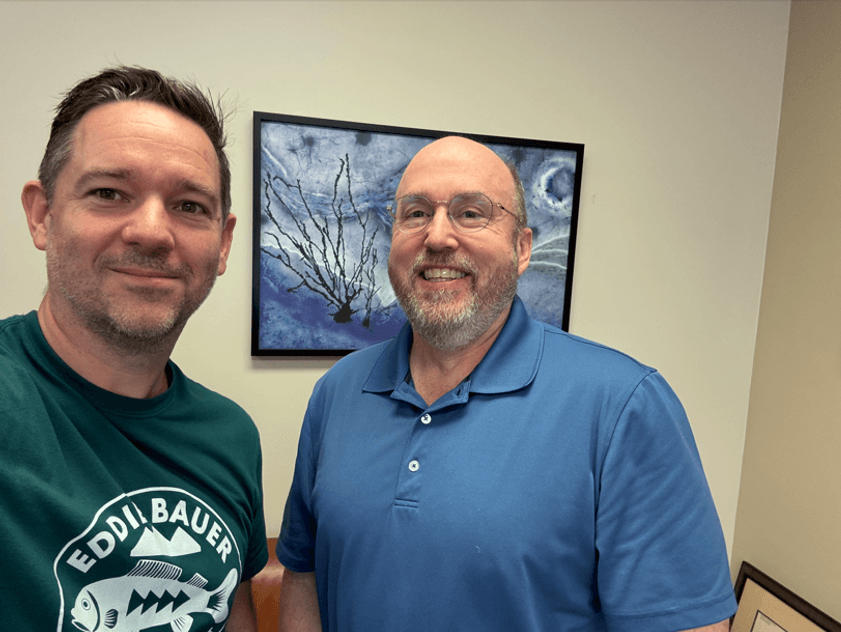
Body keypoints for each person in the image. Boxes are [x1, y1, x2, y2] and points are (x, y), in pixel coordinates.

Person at [276, 135, 738, 632]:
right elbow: (303, 575)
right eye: (414, 214)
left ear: (522, 248)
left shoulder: (624, 406)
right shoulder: (338, 391)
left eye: (471, 213)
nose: (437, 237)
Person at [1, 66, 267, 631]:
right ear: (42, 214)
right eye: (108, 193)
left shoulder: (231, 436)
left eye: (189, 205)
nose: (151, 231)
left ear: (222, 243)